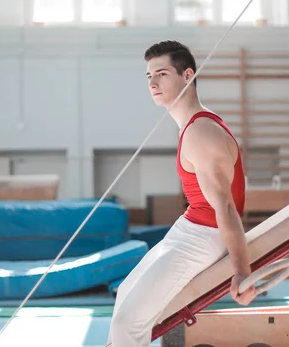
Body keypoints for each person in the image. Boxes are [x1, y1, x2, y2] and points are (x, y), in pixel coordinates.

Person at [107, 40, 256, 346]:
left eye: (161, 74)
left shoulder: (200, 132)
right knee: (124, 296)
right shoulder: (189, 125)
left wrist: (242, 271)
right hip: (189, 227)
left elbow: (226, 208)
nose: (153, 83)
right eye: (149, 76)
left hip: (204, 236)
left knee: (128, 321)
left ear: (187, 75)